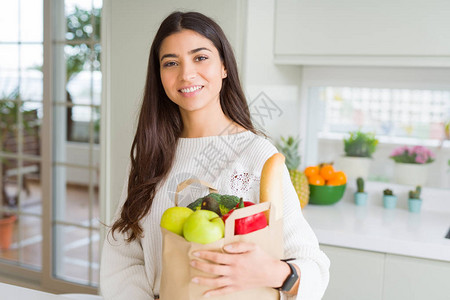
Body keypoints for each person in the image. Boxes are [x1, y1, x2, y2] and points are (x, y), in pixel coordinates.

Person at [100, 11, 330, 300]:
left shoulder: (258, 156)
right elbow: (123, 257)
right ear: (159, 76)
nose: (186, 74)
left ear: (223, 66)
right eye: (171, 63)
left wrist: (273, 272)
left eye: (200, 57)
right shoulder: (150, 156)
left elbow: (314, 266)